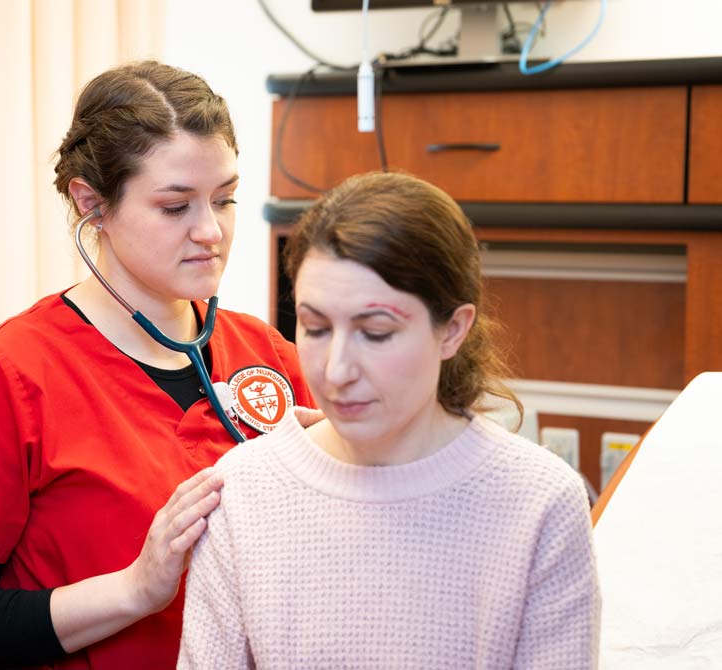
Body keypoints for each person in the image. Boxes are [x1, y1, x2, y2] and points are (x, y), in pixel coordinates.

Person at [0, 60, 315, 670]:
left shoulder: (269, 356)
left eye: (224, 199)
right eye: (175, 207)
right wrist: (134, 590)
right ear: (92, 203)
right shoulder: (5, 376)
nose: (211, 231)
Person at [178, 171, 601, 669]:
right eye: (314, 328)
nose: (336, 370)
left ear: (453, 330)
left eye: (375, 332)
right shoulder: (244, 491)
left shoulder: (540, 503)